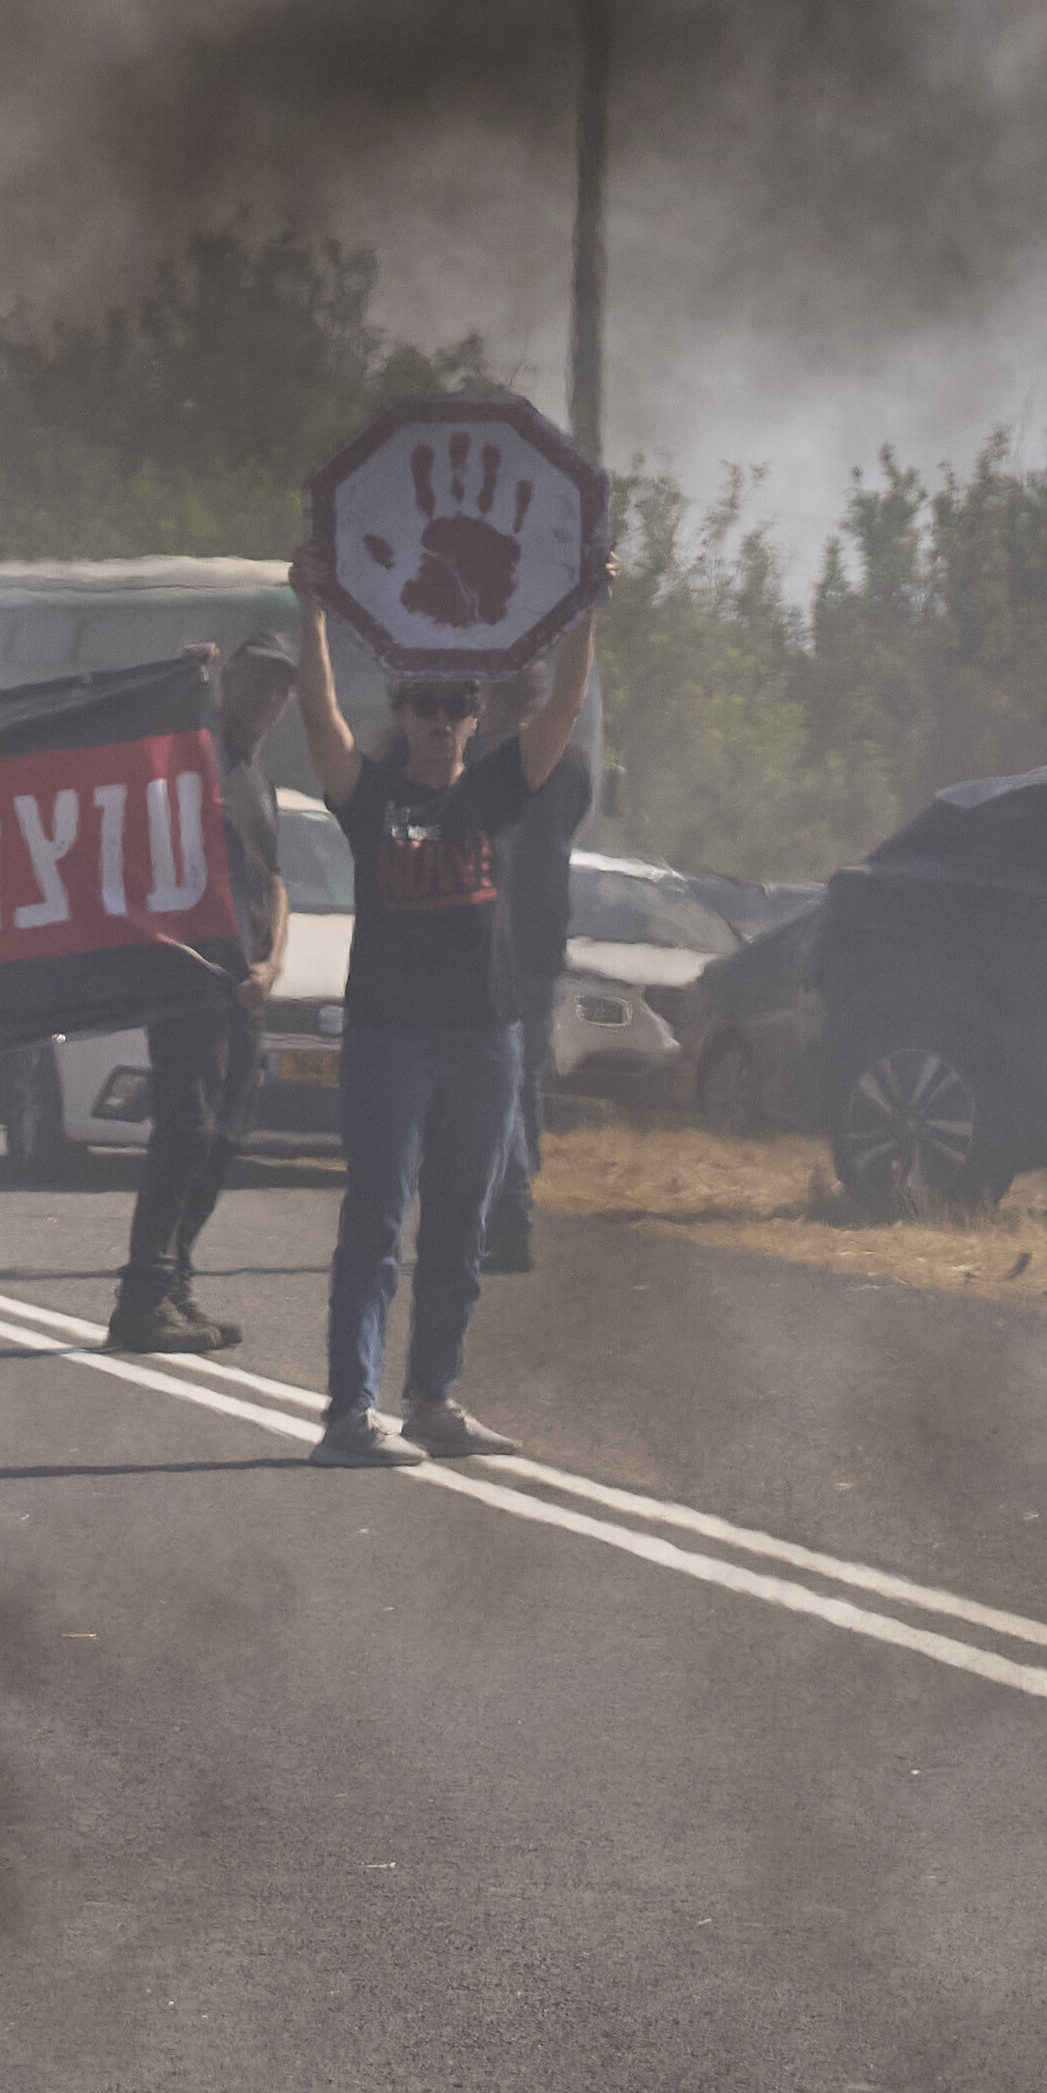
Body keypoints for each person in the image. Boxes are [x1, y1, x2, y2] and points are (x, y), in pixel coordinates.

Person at [287, 595, 592, 1467]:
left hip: (486, 1037)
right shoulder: (368, 795)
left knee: (462, 1221)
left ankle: (433, 1399)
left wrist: (584, 608)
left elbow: (563, 706)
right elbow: (318, 711)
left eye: (456, 704)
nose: (439, 720)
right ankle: (350, 1413)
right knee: (378, 1220)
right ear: (401, 712)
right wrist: (309, 606)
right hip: (391, 1039)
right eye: (423, 703)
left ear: (478, 713)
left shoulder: (499, 790)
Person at [101, 637, 298, 1356]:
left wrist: (273, 964)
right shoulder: (192, 752)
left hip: (248, 986)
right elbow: (129, 766)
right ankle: (142, 1297)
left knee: (224, 1139)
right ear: (230, 681)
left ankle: (176, 1283)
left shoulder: (258, 777)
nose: (268, 698)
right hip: (189, 981)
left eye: (282, 688)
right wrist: (173, 676)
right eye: (257, 681)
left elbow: (274, 880)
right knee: (184, 1132)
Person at [480, 732, 597, 1278]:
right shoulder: (570, 760)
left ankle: (510, 1206)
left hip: (504, 940)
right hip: (539, 940)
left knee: (502, 1079)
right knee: (521, 1077)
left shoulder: (489, 755)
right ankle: (515, 1191)